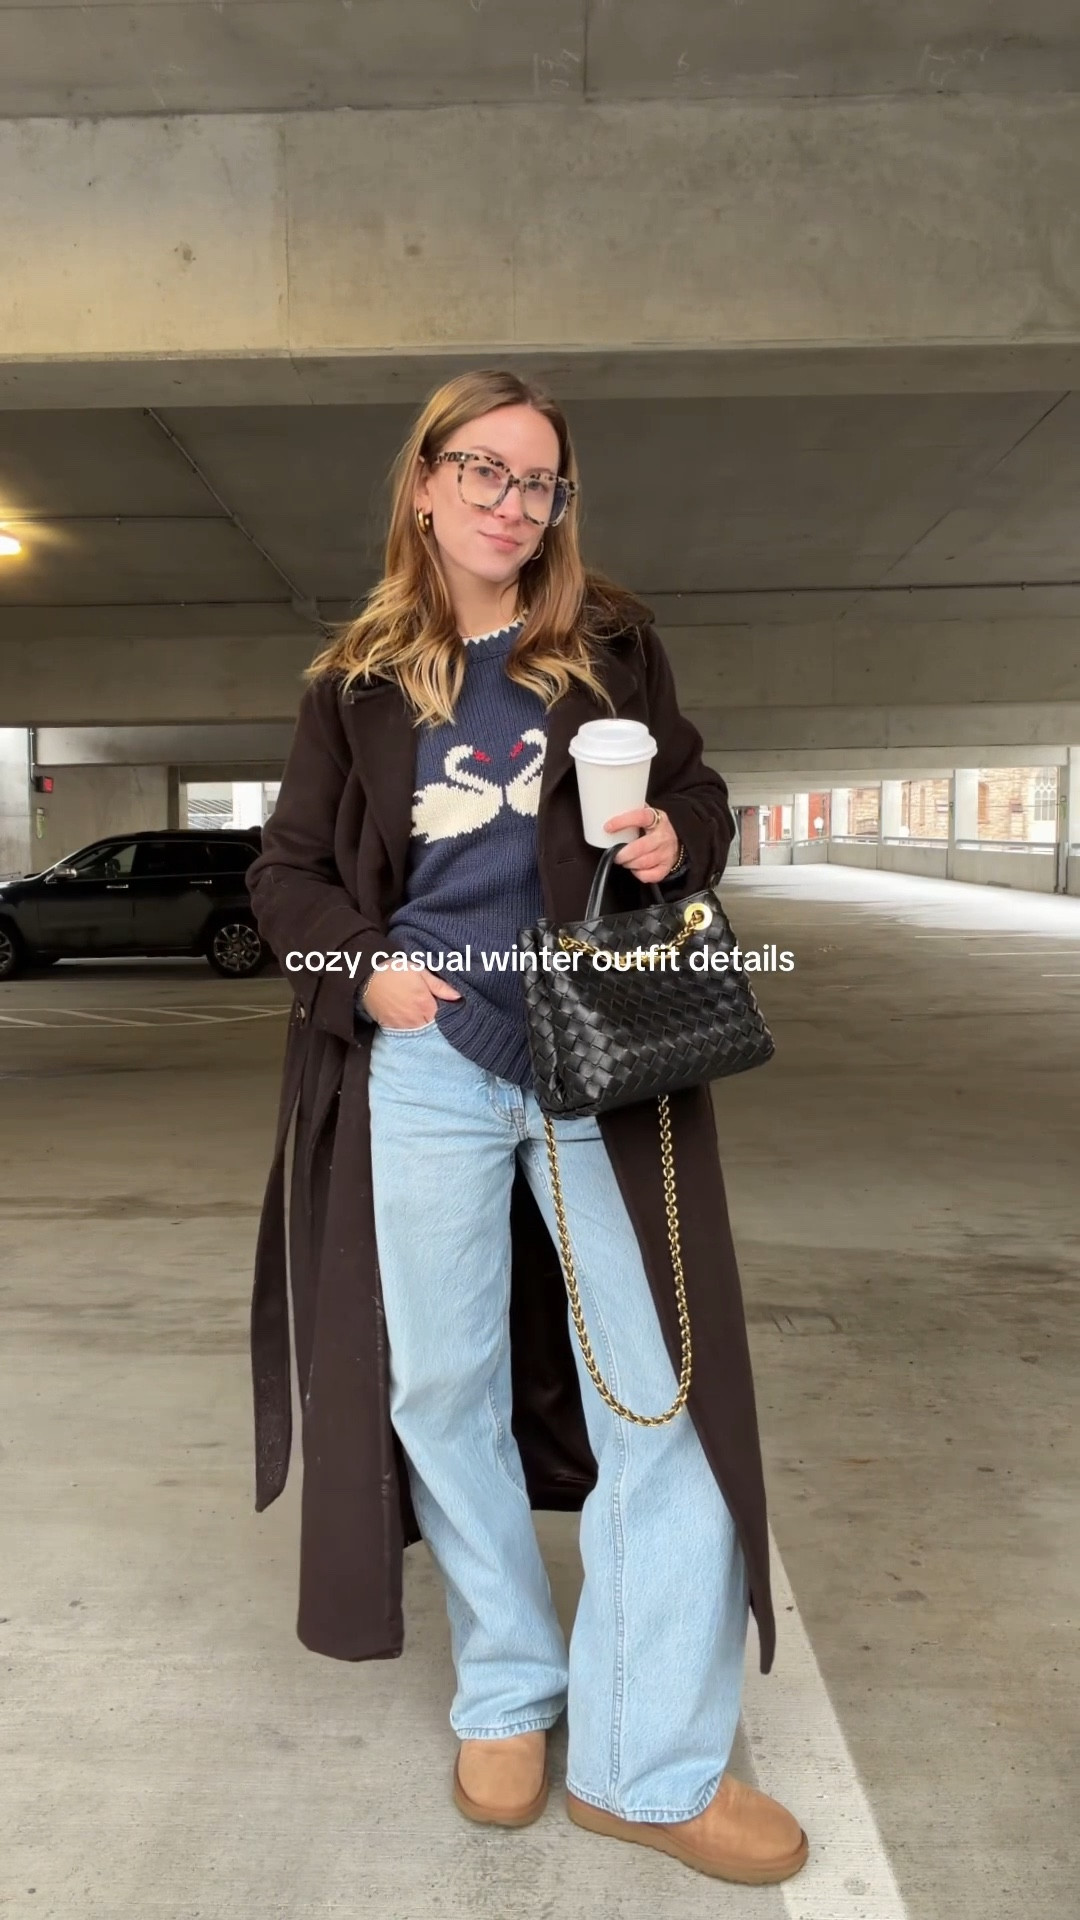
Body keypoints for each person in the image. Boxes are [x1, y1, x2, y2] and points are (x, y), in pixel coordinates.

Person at [245, 368, 808, 1887]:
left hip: (595, 1046)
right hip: (429, 1063)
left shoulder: (608, 644)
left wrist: (675, 831)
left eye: (540, 481)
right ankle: (509, 1686)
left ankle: (648, 1760)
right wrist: (372, 973)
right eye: (484, 471)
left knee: (657, 1397)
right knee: (443, 1386)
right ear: (423, 484)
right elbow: (285, 877)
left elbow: (697, 792)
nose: (513, 502)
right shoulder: (352, 683)